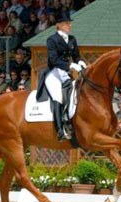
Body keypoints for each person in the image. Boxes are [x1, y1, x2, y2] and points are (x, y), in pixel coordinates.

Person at [44, 11, 86, 141]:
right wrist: (71, 66)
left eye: (69, 23)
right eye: (67, 23)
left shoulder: (72, 39)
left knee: (74, 94)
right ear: (59, 25)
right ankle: (60, 130)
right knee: (58, 97)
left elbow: (76, 55)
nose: (70, 25)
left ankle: (70, 121)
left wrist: (79, 61)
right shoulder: (52, 40)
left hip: (65, 74)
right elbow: (54, 59)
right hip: (54, 74)